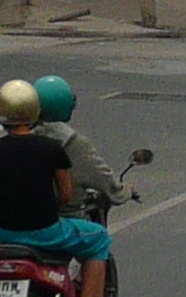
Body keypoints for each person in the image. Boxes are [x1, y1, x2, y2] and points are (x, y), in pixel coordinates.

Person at [0, 79, 115, 297]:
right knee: (99, 238)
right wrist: (50, 212)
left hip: (3, 233)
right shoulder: (53, 149)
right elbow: (65, 193)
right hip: (48, 232)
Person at [29, 73, 127, 208]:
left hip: (14, 218)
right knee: (97, 230)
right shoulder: (72, 144)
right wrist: (125, 191)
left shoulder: (18, 140)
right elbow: (104, 180)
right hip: (61, 217)